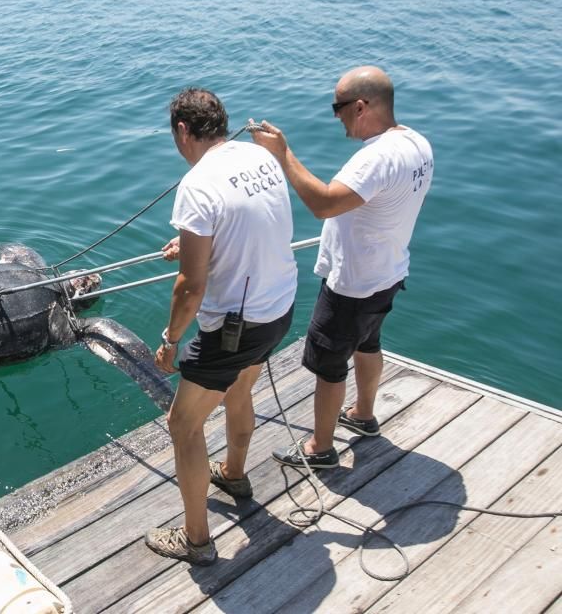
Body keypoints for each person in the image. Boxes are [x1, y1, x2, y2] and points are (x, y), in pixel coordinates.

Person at [249, 65, 434, 469]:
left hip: (352, 282)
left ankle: (321, 447)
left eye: (339, 107)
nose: (336, 116)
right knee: (368, 343)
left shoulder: (374, 158)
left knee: (329, 366)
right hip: (388, 272)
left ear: (362, 106)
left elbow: (324, 204)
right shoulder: (417, 143)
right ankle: (364, 415)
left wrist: (283, 154)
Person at [145, 88, 297, 566]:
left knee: (183, 425)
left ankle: (196, 542)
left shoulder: (197, 185)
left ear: (183, 131)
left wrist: (170, 340)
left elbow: (190, 287)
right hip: (280, 308)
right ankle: (232, 474)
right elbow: (248, 221)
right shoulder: (258, 156)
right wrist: (193, 239)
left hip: (235, 326)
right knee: (239, 391)